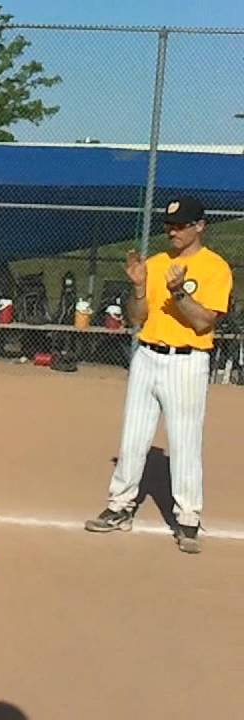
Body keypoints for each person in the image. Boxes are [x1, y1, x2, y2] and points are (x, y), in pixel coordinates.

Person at [85, 196, 232, 554]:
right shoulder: (155, 263)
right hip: (148, 355)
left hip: (186, 360)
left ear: (200, 226)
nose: (174, 232)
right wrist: (138, 287)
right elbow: (137, 317)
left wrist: (178, 291)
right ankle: (119, 506)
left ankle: (187, 519)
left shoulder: (215, 268)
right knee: (132, 438)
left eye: (181, 225)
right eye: (169, 225)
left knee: (184, 441)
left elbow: (203, 322)